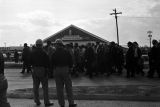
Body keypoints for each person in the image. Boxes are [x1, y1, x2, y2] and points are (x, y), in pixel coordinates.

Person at [51, 39, 77, 107]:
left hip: (57, 70)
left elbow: (51, 63)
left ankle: (62, 104)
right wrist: (70, 68)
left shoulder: (54, 53)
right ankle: (71, 103)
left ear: (56, 45)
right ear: (62, 45)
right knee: (69, 87)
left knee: (59, 89)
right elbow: (71, 62)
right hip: (65, 70)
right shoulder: (66, 52)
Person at [30, 39, 53, 106]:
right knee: (45, 87)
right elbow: (48, 63)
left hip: (35, 70)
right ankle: (46, 102)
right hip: (43, 70)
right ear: (41, 45)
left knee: (35, 87)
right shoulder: (44, 53)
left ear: (36, 44)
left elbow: (30, 62)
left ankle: (37, 101)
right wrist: (48, 71)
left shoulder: (32, 52)